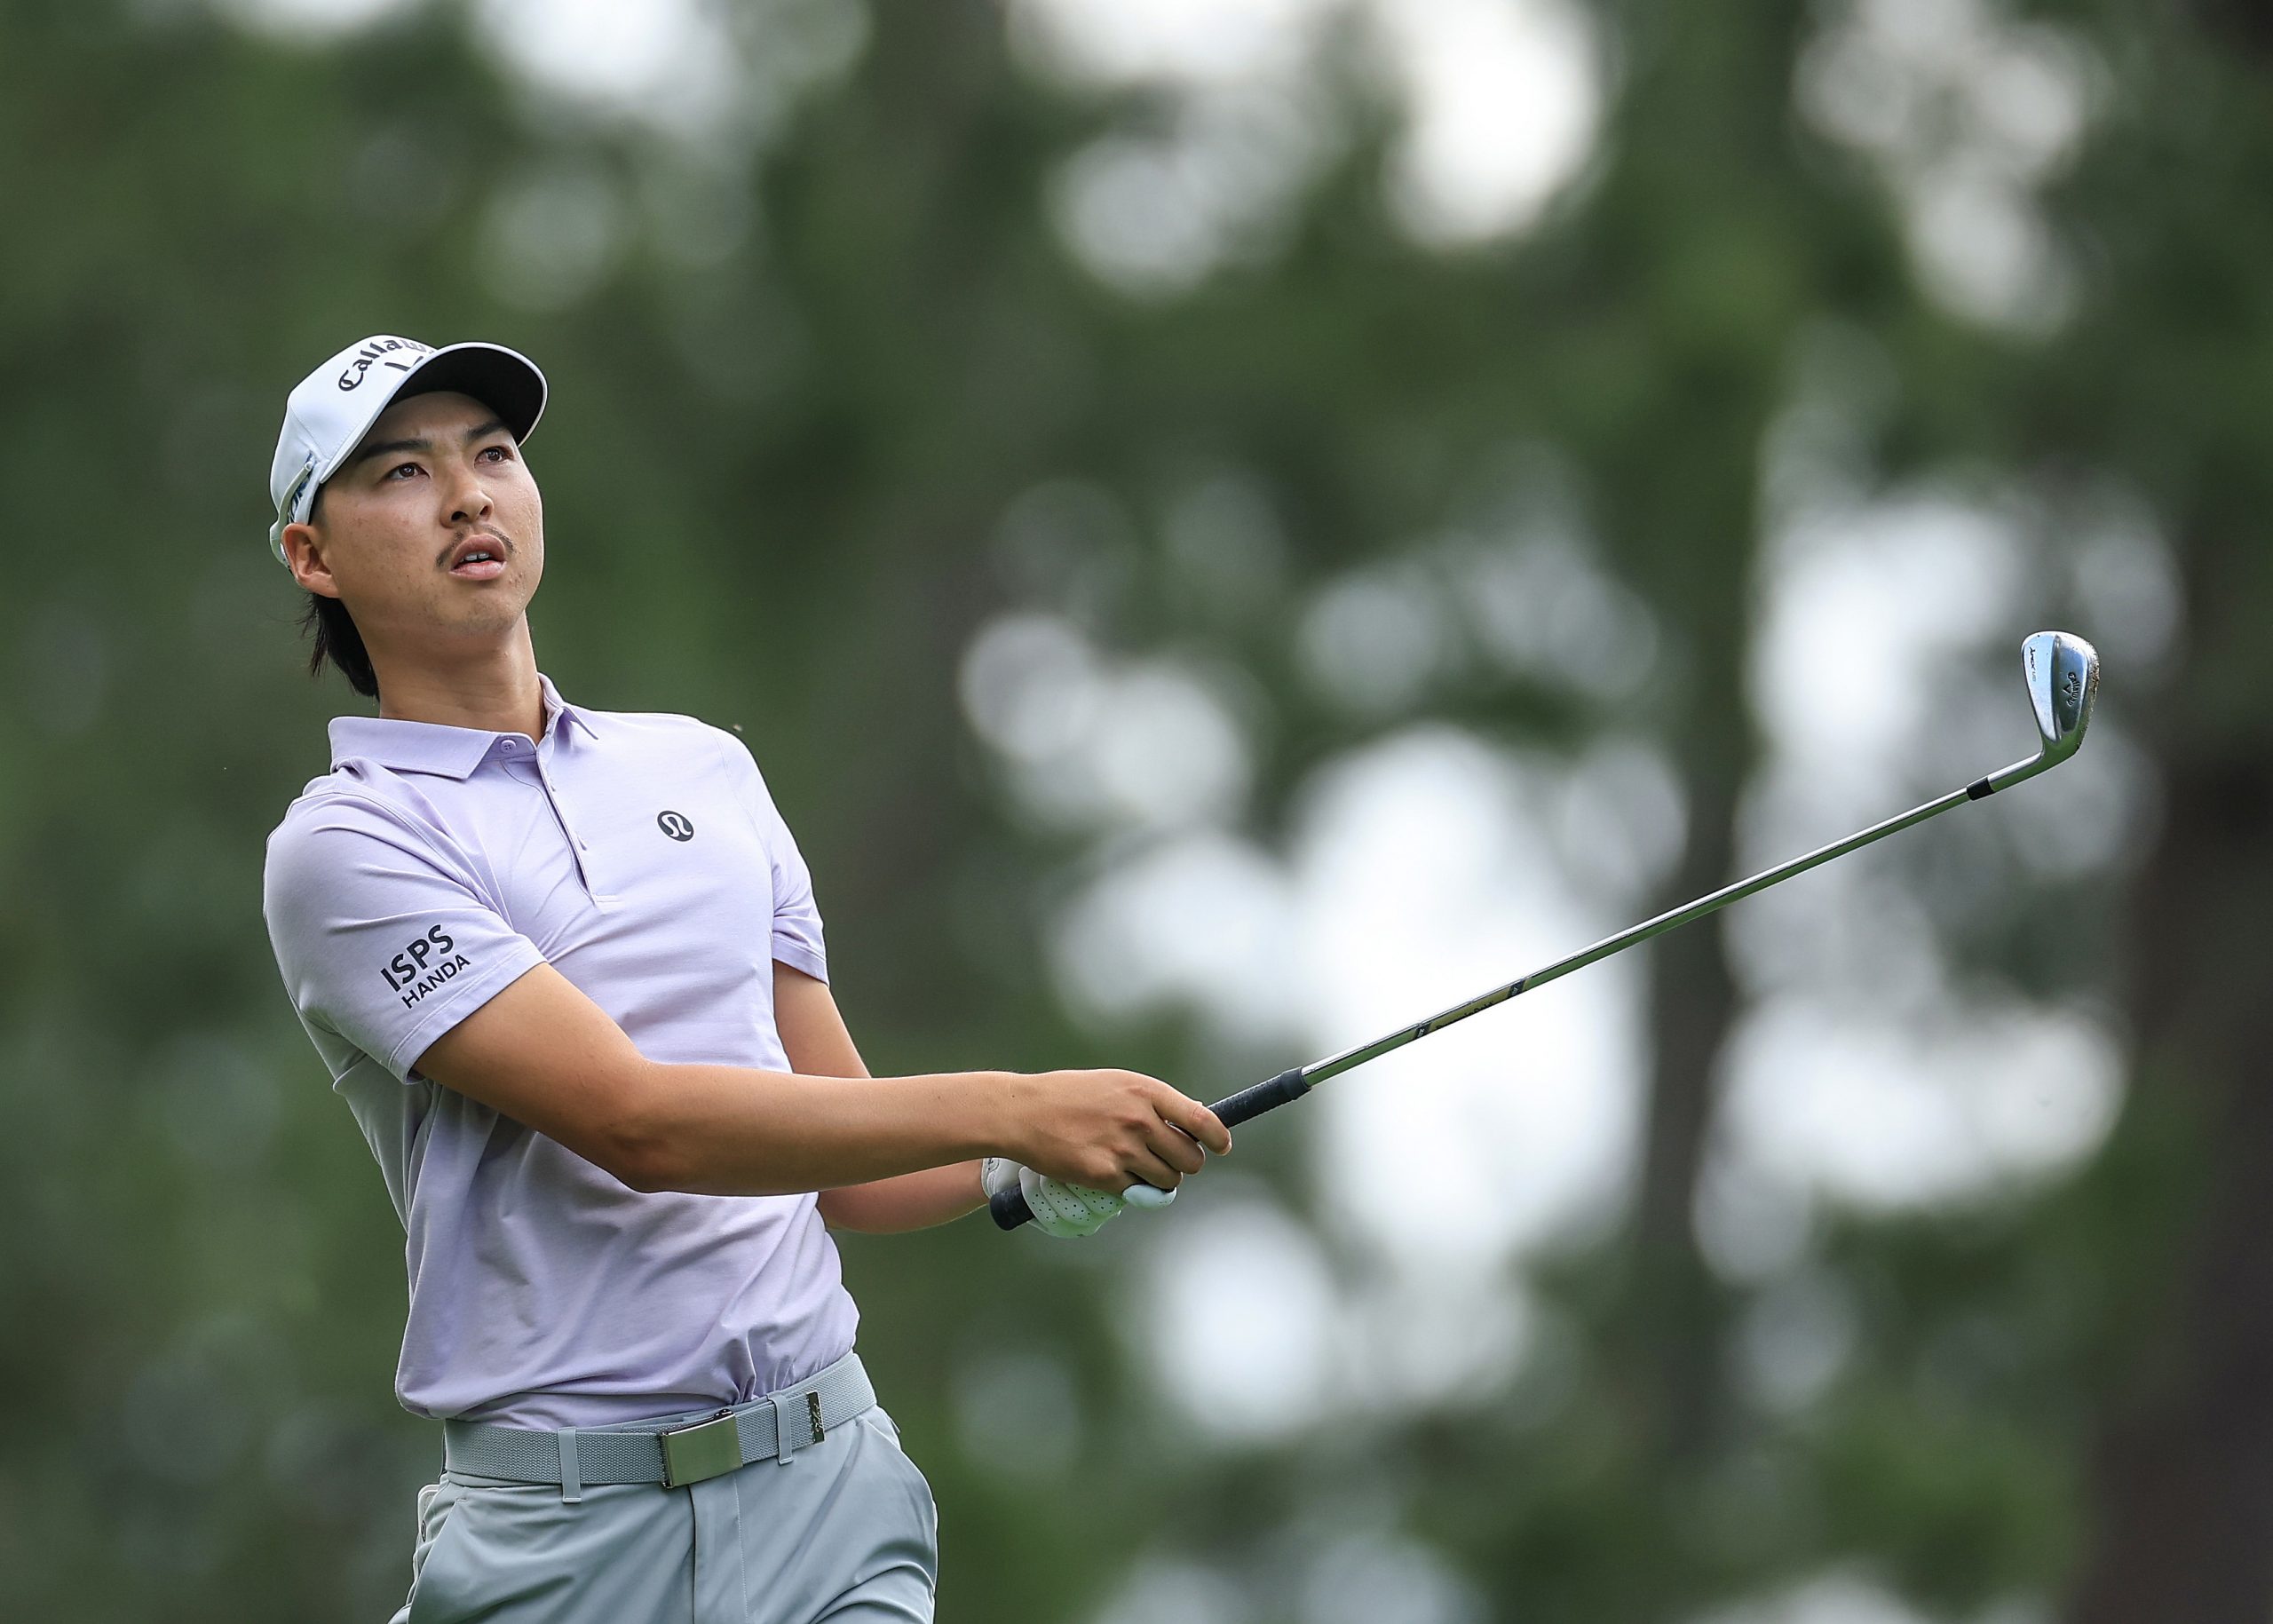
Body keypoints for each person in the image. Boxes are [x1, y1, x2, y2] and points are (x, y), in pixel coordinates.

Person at [258, 334, 1231, 1623]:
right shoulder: (346, 843)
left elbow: (842, 1161)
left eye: (493, 455)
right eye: (399, 471)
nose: (467, 496)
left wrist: (1027, 1170)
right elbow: (640, 1123)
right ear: (312, 555)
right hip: (564, 1542)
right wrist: (1015, 1105)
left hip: (827, 1494)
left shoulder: (702, 768)